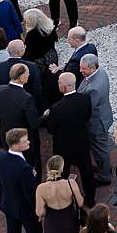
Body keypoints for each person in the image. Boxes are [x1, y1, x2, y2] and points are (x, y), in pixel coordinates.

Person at [43, 70, 96, 205]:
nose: (58, 84)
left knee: (63, 171)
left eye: (59, 82)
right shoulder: (85, 99)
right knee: (86, 169)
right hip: (81, 141)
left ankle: (65, 196)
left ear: (64, 87)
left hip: (63, 145)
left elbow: (51, 128)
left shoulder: (57, 108)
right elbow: (87, 116)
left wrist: (46, 117)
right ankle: (90, 198)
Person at [0, 127, 48, 233]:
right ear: (16, 145)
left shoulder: (0, 157)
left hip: (8, 204)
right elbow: (31, 194)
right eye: (25, 141)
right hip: (25, 210)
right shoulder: (24, 169)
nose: (29, 142)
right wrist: (38, 210)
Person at [0, 62, 42, 173]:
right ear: (21, 77)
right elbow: (34, 123)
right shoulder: (26, 98)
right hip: (23, 140)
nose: (29, 76)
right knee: (30, 165)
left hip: (6, 136)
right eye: (27, 74)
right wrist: (44, 116)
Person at [78, 55, 114, 189]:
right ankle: (104, 167)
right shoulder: (101, 72)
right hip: (103, 115)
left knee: (100, 149)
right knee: (101, 148)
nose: (80, 71)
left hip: (97, 123)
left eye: (83, 69)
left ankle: (104, 176)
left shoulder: (94, 89)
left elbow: (87, 108)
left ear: (93, 67)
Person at [37, 155, 86, 233]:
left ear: (48, 168)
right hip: (71, 224)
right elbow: (80, 203)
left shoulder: (41, 188)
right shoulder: (70, 183)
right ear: (62, 169)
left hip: (52, 227)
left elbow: (40, 212)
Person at [0, 38, 42, 104]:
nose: (25, 48)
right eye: (24, 47)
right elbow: (37, 89)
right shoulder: (32, 66)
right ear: (18, 52)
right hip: (25, 105)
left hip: (3, 105)